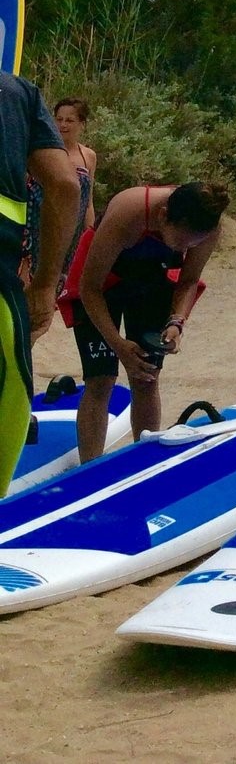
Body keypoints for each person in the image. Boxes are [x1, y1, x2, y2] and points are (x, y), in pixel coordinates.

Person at [59, 181, 228, 461]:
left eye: (193, 244)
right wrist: (118, 345)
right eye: (182, 241)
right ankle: (89, 467)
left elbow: (187, 280)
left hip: (151, 280)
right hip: (103, 284)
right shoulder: (129, 211)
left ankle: (145, 462)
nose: (186, 248)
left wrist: (177, 322)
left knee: (147, 377)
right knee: (100, 379)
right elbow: (90, 287)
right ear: (163, 217)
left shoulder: (207, 227)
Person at [0, 70, 80, 495]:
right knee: (10, 391)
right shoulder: (16, 91)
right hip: (2, 272)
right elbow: (66, 186)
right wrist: (47, 283)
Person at [20, 96, 97, 288]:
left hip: (72, 233)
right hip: (39, 229)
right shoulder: (40, 153)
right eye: (59, 119)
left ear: (82, 123)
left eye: (69, 120)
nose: (63, 125)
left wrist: (89, 238)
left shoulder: (88, 156)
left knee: (60, 287)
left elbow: (88, 202)